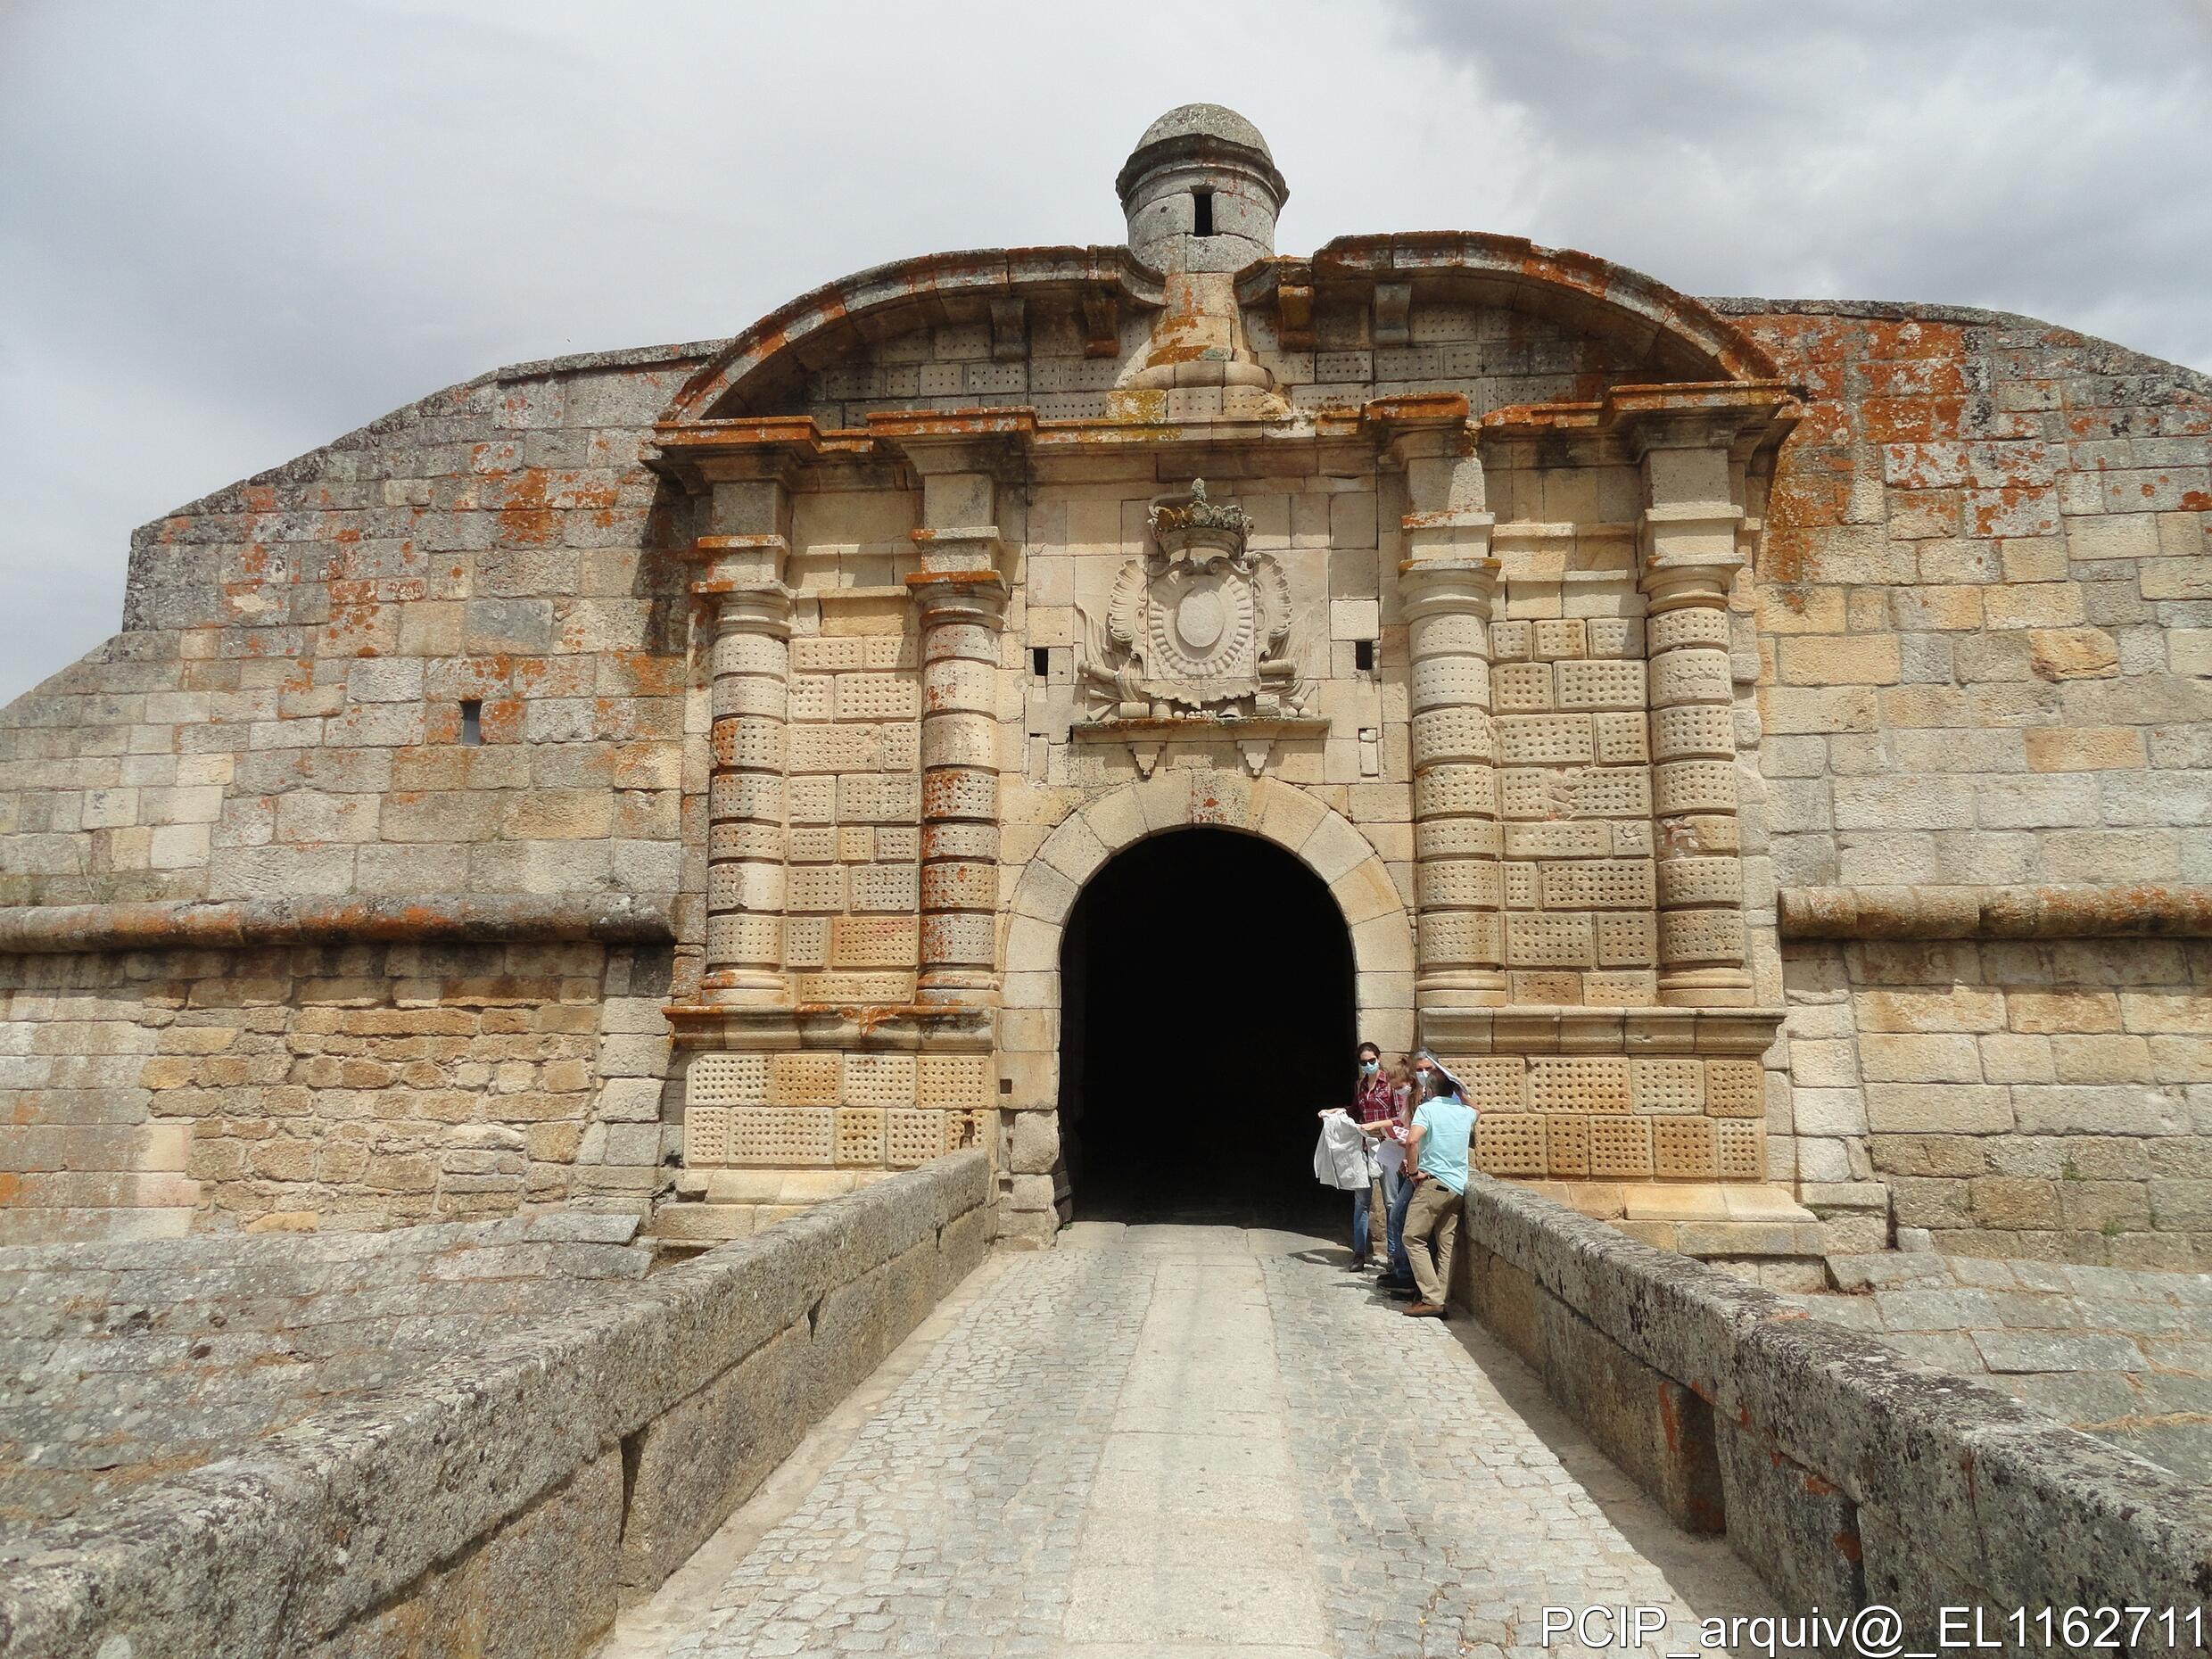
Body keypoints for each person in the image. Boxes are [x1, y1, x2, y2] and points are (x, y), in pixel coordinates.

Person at [1400, 1061, 1476, 1318]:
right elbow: (1478, 1109)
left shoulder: (1427, 1109)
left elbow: (1412, 1141)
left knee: (1413, 1238)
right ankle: (1440, 1300)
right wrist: (1461, 1092)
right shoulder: (1465, 1112)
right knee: (1447, 1243)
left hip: (1434, 1183)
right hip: (1457, 1186)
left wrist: (1413, 1173)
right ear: (1452, 1090)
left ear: (1429, 1090)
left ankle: (1431, 1298)